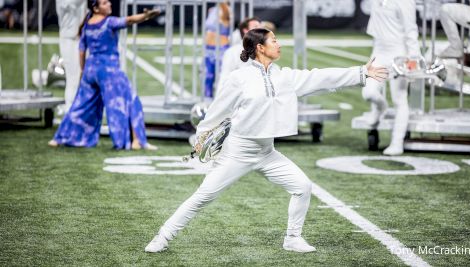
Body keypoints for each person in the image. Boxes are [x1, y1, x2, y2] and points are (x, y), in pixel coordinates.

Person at [144, 28, 388, 253]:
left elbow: (319, 77)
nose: (279, 44)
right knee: (202, 197)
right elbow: (216, 112)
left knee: (302, 187)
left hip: (267, 152)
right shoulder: (239, 78)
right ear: (260, 47)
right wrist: (200, 141)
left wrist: (361, 72)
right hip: (237, 153)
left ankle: (292, 238)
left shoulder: (284, 77)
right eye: (274, 40)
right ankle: (162, 237)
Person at [48, 0, 158, 150]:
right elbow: (130, 20)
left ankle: (60, 137)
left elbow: (81, 51)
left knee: (80, 107)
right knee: (128, 101)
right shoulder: (109, 22)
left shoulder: (87, 25)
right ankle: (133, 141)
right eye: (105, 3)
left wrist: (83, 71)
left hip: (90, 70)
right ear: (96, 8)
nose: (110, 4)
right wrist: (145, 16)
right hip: (109, 71)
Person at [362, 0, 421, 156]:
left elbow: (411, 29)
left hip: (399, 53)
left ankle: (397, 142)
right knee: (368, 92)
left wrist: (413, 60)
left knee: (399, 99)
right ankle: (381, 107)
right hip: (379, 51)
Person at [55, 0, 87, 113]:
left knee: (82, 77)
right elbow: (75, 3)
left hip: (80, 38)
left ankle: (79, 108)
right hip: (68, 39)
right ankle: (70, 108)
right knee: (73, 76)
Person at [217, 17, 261, 92]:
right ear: (245, 30)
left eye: (261, 27)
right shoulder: (232, 52)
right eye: (256, 27)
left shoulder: (265, 50)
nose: (260, 30)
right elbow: (224, 77)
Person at [204, 2, 231, 98]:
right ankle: (207, 101)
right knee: (207, 76)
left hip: (221, 49)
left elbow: (225, 15)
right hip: (208, 48)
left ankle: (222, 100)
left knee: (221, 77)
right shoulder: (212, 10)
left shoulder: (227, 9)